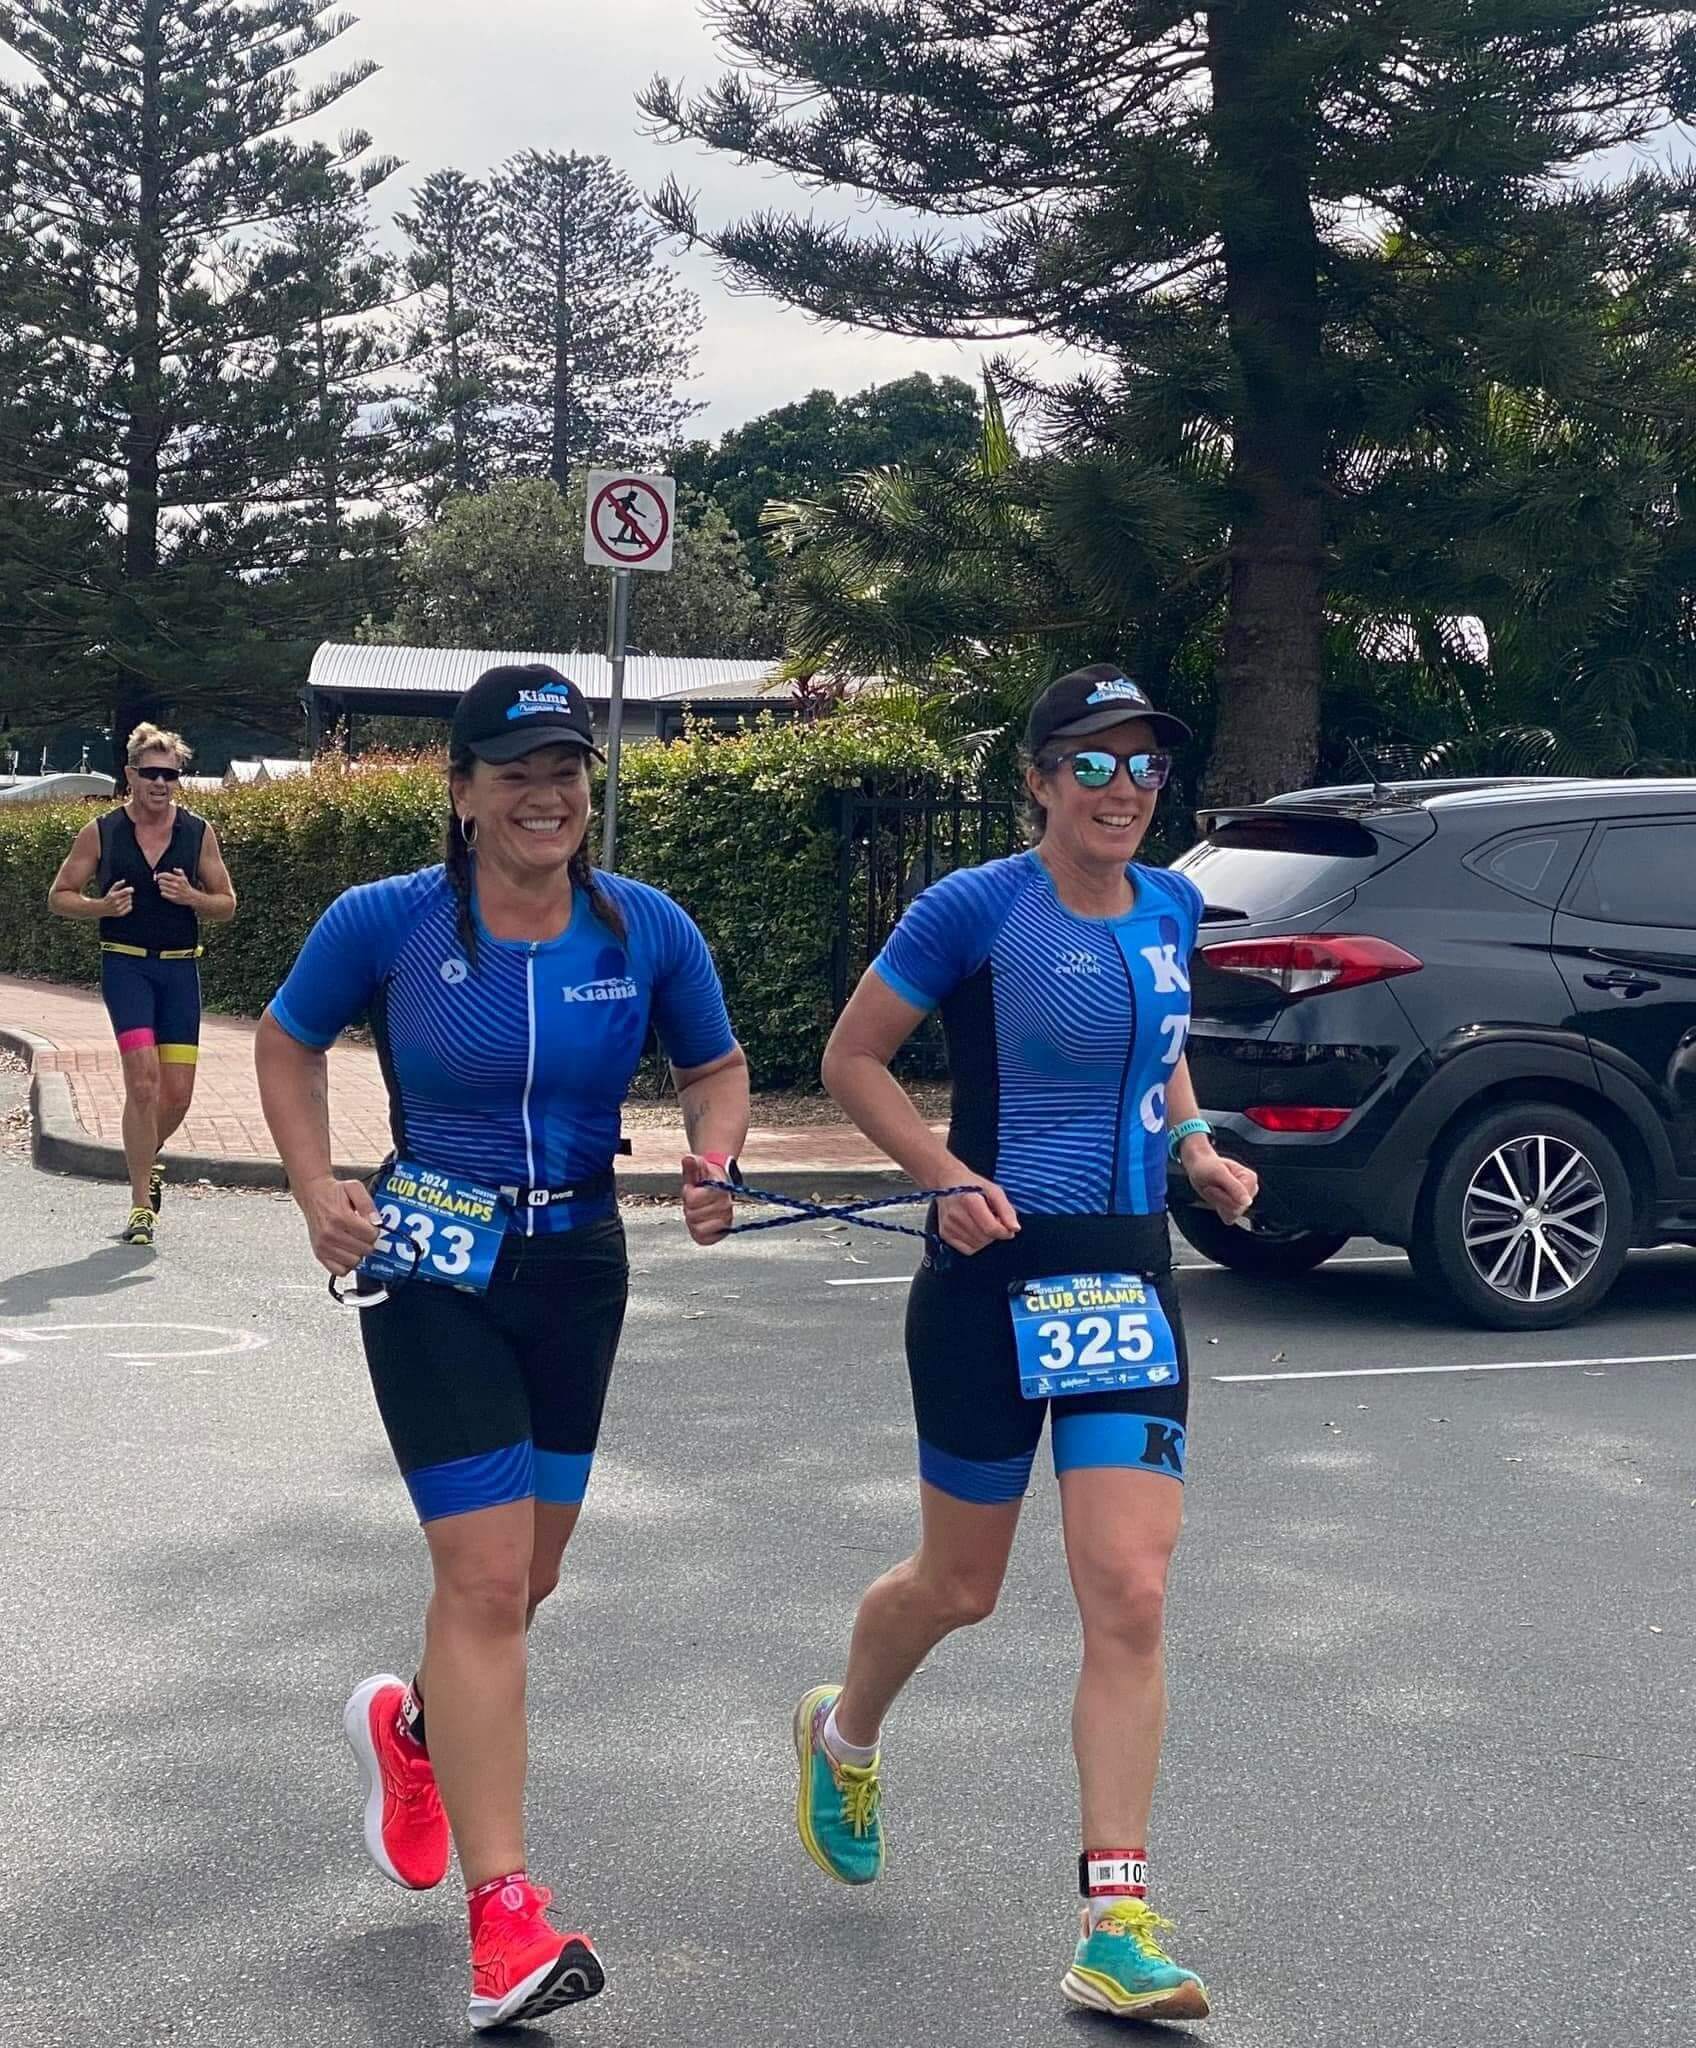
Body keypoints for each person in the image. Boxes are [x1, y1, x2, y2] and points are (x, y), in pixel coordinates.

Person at [253, 663, 749, 2035]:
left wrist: (715, 1159)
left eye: (568, 770)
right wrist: (314, 1190)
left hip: (579, 1264)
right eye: (516, 770)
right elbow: (287, 1047)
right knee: (478, 1581)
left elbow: (715, 1066)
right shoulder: (388, 923)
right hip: (432, 1263)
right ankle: (505, 1921)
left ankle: (414, 1732)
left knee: (525, 1582)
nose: (547, 793)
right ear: (462, 792)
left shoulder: (645, 930)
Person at [799, 663, 1258, 2021]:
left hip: (1124, 1275)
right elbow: (853, 1057)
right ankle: (844, 1734)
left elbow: (1162, 1042)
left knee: (1130, 1588)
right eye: (1097, 765)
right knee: (961, 1586)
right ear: (1042, 780)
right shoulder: (975, 908)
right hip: (993, 1273)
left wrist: (1195, 1142)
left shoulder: (1172, 902)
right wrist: (944, 1174)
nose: (1126, 790)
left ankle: (1115, 1917)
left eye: (1147, 766)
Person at [46, 723, 237, 1246]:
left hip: (179, 970)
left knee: (176, 1096)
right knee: (144, 1082)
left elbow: (227, 903)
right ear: (130, 774)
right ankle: (139, 1207)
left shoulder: (197, 832)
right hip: (126, 967)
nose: (161, 783)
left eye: (170, 774)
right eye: (151, 773)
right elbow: (60, 894)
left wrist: (193, 899)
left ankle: (145, 1160)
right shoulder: (101, 832)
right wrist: (101, 907)